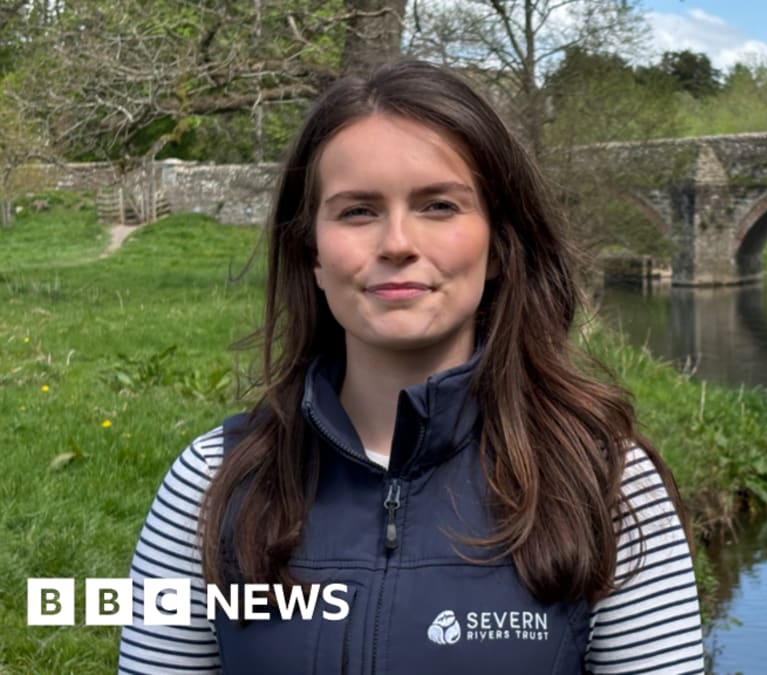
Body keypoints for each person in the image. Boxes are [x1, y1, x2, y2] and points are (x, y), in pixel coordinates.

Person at [116, 60, 704, 674]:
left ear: (499, 246)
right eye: (357, 212)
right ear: (312, 254)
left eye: (439, 206)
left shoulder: (605, 478)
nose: (397, 242)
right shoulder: (211, 483)